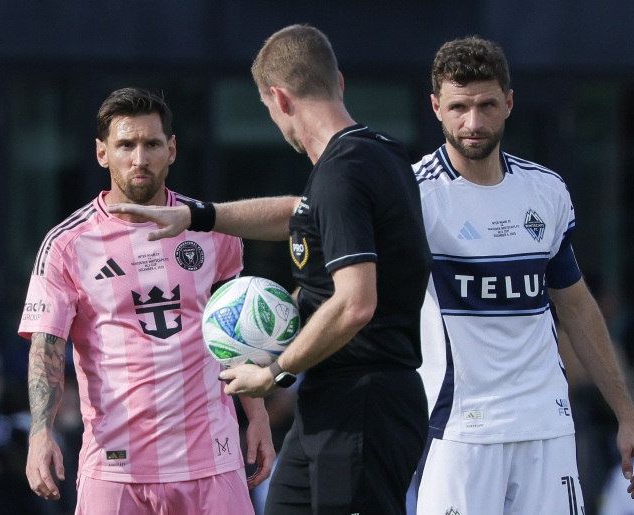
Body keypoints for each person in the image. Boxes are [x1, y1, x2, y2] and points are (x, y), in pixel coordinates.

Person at [109, 24, 432, 515]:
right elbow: (294, 213)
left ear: (279, 99)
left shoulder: (343, 173)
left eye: (267, 108)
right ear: (338, 82)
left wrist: (275, 372)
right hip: (331, 399)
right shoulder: (373, 152)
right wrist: (196, 216)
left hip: (365, 401)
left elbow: (355, 303)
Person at [412, 36, 634, 514]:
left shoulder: (546, 191)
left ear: (509, 102)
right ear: (436, 107)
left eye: (486, 105)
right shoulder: (413, 195)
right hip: (460, 430)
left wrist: (627, 415)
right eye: (459, 107)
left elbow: (576, 306)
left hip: (546, 423)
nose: (473, 122)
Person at [17, 87, 275, 514]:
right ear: (102, 153)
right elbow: (47, 346)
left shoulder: (214, 229)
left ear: (171, 150)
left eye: (152, 144)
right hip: (116, 467)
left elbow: (236, 329)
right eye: (126, 145)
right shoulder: (67, 244)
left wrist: (258, 415)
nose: (140, 158)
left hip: (211, 459)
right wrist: (40, 432)